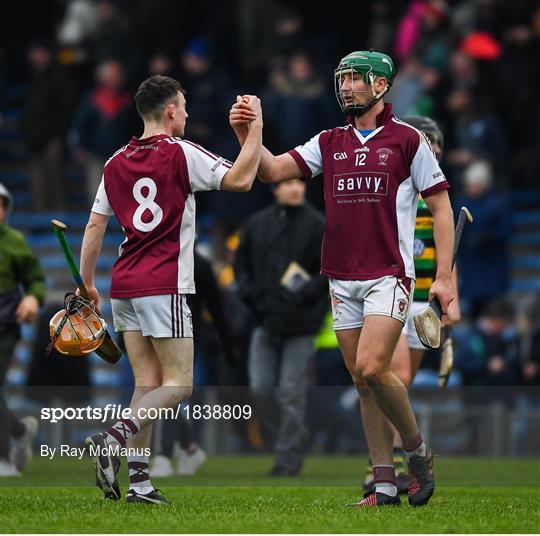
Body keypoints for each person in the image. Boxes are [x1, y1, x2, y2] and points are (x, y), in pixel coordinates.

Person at [230, 50, 454, 507]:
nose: (346, 86)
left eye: (355, 78)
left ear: (381, 86)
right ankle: (385, 483)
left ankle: (417, 452)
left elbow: (443, 208)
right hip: (340, 278)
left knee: (374, 367)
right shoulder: (329, 141)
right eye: (342, 78)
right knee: (361, 381)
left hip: (388, 274)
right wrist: (250, 135)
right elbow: (272, 171)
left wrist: (444, 277)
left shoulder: (408, 140)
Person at [81, 75, 262, 505]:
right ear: (170, 112)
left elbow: (94, 226)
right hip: (164, 283)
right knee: (180, 385)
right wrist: (254, 132)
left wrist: (88, 283)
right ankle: (113, 438)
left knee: (147, 384)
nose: (187, 114)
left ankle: (140, 484)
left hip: (123, 283)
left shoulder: (114, 161)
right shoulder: (181, 152)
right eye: (184, 107)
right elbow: (241, 181)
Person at [363, 115, 461, 493]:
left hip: (427, 300)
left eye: (435, 144)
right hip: (393, 290)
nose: (431, 150)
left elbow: (449, 257)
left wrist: (452, 296)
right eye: (426, 143)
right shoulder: (398, 186)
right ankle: (389, 465)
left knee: (399, 383)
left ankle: (395, 463)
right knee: (394, 375)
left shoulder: (437, 194)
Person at [234, 178, 328, 476]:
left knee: (291, 392)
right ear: (275, 189)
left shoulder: (318, 225)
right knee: (260, 389)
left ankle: (287, 458)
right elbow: (241, 267)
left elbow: (327, 272)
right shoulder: (256, 224)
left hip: (301, 324)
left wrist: (303, 296)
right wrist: (254, 298)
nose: (295, 188)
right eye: (288, 183)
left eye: (300, 182)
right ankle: (295, 434)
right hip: (264, 321)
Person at [0, 183, 43, 476]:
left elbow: (36, 279)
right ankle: (18, 430)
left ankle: (4, 459)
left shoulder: (15, 241)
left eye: (3, 205)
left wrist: (31, 297)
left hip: (5, 324)